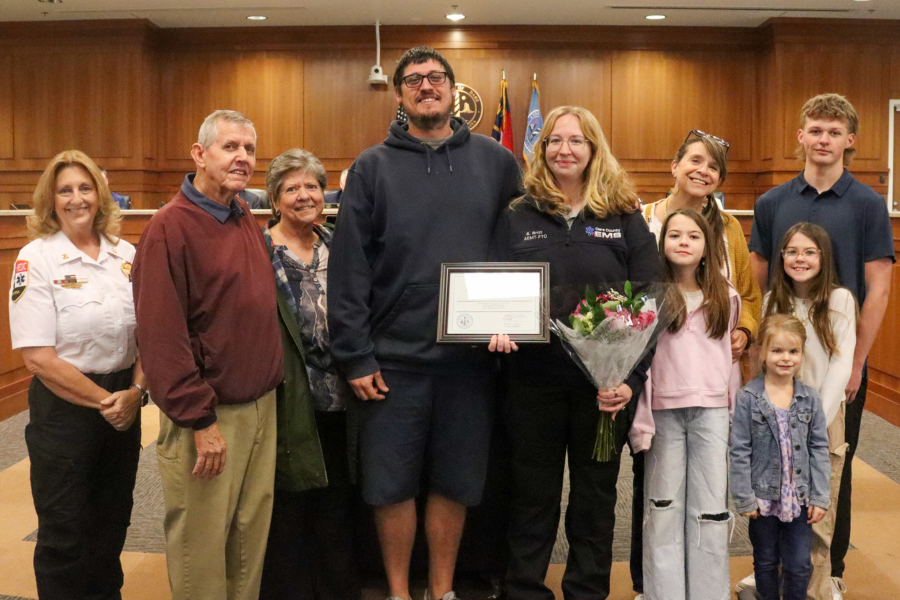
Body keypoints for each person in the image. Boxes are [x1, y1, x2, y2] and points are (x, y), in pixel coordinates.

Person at [327, 46, 521, 600]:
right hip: (392, 363)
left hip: (470, 364)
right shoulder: (371, 167)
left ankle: (442, 592)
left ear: (452, 89)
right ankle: (397, 592)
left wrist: (513, 317)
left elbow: (518, 251)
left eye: (436, 77)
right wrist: (355, 355)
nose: (426, 86)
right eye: (413, 80)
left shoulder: (497, 161)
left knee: (455, 484)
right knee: (390, 488)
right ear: (400, 95)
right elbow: (349, 270)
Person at [489, 105, 660, 600]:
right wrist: (495, 328)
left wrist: (632, 379)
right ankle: (524, 589)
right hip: (530, 382)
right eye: (555, 141)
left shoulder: (624, 214)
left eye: (576, 141)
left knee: (594, 498)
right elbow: (494, 285)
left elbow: (650, 299)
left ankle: (587, 590)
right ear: (542, 151)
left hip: (602, 387)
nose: (565, 149)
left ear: (593, 149)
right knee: (532, 496)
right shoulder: (518, 214)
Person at [748, 93, 895, 600]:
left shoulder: (867, 205)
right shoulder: (772, 203)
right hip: (782, 366)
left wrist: (857, 363)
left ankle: (827, 570)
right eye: (815, 130)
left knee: (831, 464)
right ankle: (773, 566)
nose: (824, 139)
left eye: (834, 132)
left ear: (850, 140)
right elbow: (763, 279)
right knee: (772, 460)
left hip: (839, 363)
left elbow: (878, 285)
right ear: (801, 136)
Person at [132, 110, 284, 600]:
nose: (242, 158)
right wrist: (200, 420)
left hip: (260, 408)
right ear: (199, 154)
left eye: (249, 149)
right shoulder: (169, 228)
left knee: (247, 541)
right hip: (209, 416)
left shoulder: (243, 217)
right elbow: (161, 336)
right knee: (201, 545)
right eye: (230, 147)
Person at [9, 149, 144, 599]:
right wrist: (107, 402)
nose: (76, 198)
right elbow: (38, 358)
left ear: (101, 194)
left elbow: (151, 333)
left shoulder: (127, 254)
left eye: (85, 188)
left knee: (112, 522)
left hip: (125, 399)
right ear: (50, 200)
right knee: (65, 531)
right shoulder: (35, 259)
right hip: (65, 407)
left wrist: (136, 391)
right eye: (64, 190)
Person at [635, 130, 761, 599]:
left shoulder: (728, 230)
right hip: (662, 395)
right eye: (694, 160)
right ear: (674, 165)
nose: (701, 170)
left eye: (713, 166)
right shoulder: (642, 218)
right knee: (660, 500)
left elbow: (746, 296)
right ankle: (657, 587)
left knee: (709, 502)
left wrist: (743, 332)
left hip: (711, 392)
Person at [258, 148, 359, 600]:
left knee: (337, 497)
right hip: (288, 393)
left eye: (312, 186)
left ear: (325, 193)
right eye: (292, 188)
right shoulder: (259, 250)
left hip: (343, 393)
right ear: (276, 199)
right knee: (289, 499)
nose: (304, 195)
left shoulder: (341, 243)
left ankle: (336, 588)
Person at [736, 223, 856, 600]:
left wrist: (812, 415)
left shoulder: (839, 300)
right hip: (776, 413)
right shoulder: (773, 299)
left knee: (816, 512)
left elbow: (841, 363)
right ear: (781, 257)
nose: (799, 259)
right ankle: (774, 582)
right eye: (791, 251)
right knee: (774, 501)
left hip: (821, 415)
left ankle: (816, 589)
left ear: (823, 257)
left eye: (809, 252)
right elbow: (763, 359)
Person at [636, 208, 739, 600]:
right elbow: (641, 362)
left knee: (710, 510)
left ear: (706, 248)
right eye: (675, 235)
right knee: (662, 508)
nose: (683, 242)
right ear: (662, 244)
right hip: (663, 412)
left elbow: (730, 361)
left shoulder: (725, 296)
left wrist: (732, 416)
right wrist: (641, 420)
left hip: (711, 414)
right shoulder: (651, 296)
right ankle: (664, 594)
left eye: (693, 236)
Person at [730, 314, 831, 600]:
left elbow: (819, 449)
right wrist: (744, 497)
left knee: (799, 564)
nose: (785, 358)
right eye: (777, 350)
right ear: (763, 352)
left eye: (793, 351)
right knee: (765, 560)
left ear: (801, 354)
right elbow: (739, 450)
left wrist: (820, 496)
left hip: (799, 499)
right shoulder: (748, 397)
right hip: (762, 499)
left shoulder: (810, 399)